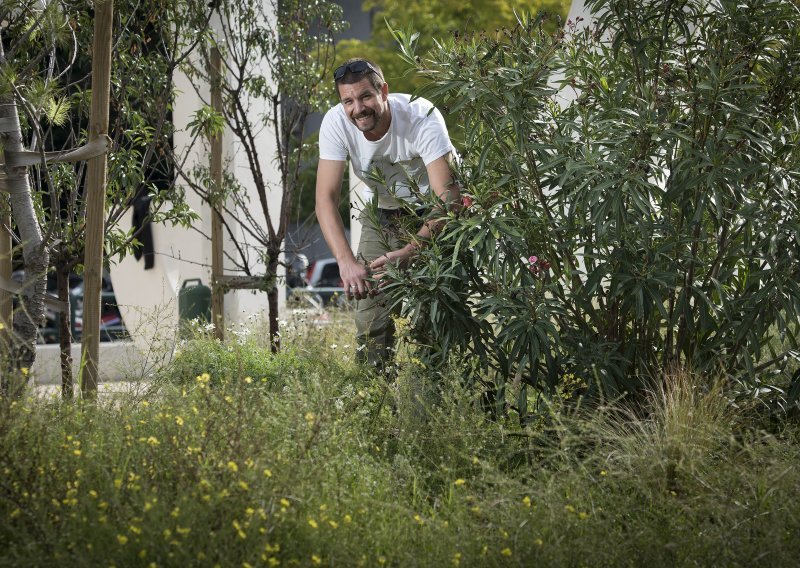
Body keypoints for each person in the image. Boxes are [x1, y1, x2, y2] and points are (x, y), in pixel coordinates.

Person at [315, 58, 460, 369]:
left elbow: (448, 199)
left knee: (431, 321)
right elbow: (325, 199)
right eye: (348, 101)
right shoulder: (336, 123)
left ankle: (429, 410)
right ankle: (372, 406)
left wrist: (411, 251)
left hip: (434, 214)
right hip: (382, 210)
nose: (358, 108)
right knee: (370, 319)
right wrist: (346, 262)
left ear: (383, 91)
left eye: (366, 96)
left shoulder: (422, 116)